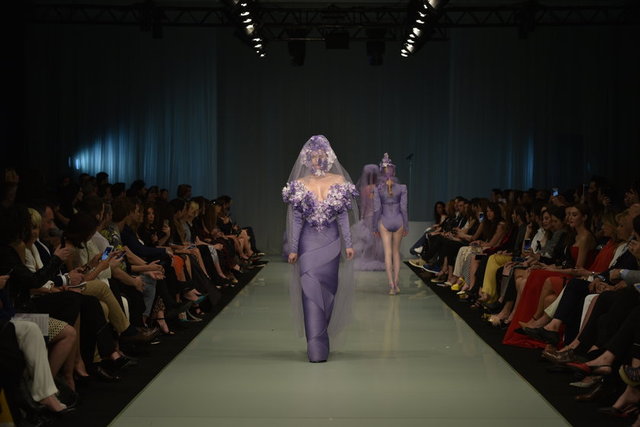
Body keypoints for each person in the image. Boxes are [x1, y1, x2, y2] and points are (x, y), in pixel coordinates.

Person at [282, 135, 358, 363]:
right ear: (307, 159)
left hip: (332, 241)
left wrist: (348, 244)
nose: (318, 159)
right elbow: (297, 220)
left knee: (329, 290)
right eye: (314, 156)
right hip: (307, 243)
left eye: (322, 155)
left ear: (329, 157)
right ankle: (315, 348)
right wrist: (293, 248)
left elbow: (343, 216)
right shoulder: (299, 184)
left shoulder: (339, 180)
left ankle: (322, 336)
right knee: (309, 290)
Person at [373, 153, 408, 295]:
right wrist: (406, 225)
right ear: (393, 171)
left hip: (385, 220)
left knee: (387, 253)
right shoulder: (402, 188)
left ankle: (390, 284)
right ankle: (397, 281)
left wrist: (374, 226)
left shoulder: (378, 189)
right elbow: (404, 209)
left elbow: (377, 210)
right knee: (396, 253)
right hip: (398, 220)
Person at [351, 164, 385, 271]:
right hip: (379, 216)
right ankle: (378, 259)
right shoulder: (380, 188)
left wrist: (362, 217)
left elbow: (364, 205)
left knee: (369, 240)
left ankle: (369, 258)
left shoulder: (364, 188)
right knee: (378, 240)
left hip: (368, 216)